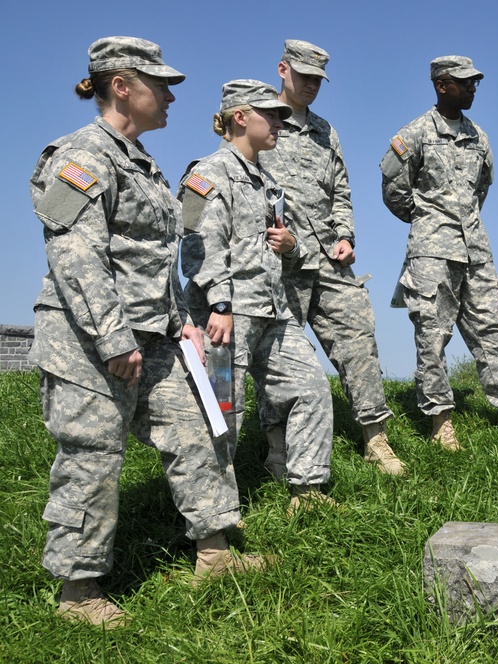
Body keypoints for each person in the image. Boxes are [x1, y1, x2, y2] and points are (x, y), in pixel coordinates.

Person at [28, 37, 265, 628]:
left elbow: (155, 261)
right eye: (159, 85)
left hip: (156, 336)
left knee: (196, 432)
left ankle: (214, 553)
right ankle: (78, 594)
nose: (170, 96)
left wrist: (182, 323)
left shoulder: (142, 163)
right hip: (88, 341)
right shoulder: (82, 156)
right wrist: (113, 340)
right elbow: (77, 257)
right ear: (120, 86)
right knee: (92, 455)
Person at [179, 79, 337, 513]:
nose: (280, 121)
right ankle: (216, 517)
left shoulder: (269, 183)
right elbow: (196, 245)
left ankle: (306, 493)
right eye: (271, 114)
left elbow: (287, 247)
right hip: (228, 317)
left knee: (311, 389)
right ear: (240, 117)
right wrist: (221, 305)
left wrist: (293, 247)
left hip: (273, 311)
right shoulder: (207, 174)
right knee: (224, 413)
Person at [257, 40, 404, 476]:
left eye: (318, 80)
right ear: (282, 70)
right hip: (280, 261)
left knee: (359, 340)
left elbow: (340, 190)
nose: (310, 86)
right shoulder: (261, 121)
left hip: (329, 260)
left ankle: (375, 438)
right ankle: (276, 449)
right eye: (303, 77)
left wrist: (345, 235)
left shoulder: (325, 131)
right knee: (278, 353)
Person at [380, 55, 498, 450]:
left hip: (476, 248)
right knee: (432, 335)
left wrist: (460, 220)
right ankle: (440, 422)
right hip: (431, 252)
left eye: (475, 82)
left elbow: (482, 188)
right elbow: (394, 191)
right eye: (465, 83)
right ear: (442, 84)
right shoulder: (412, 135)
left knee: (494, 327)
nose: (473, 88)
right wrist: (429, 219)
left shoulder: (479, 137)